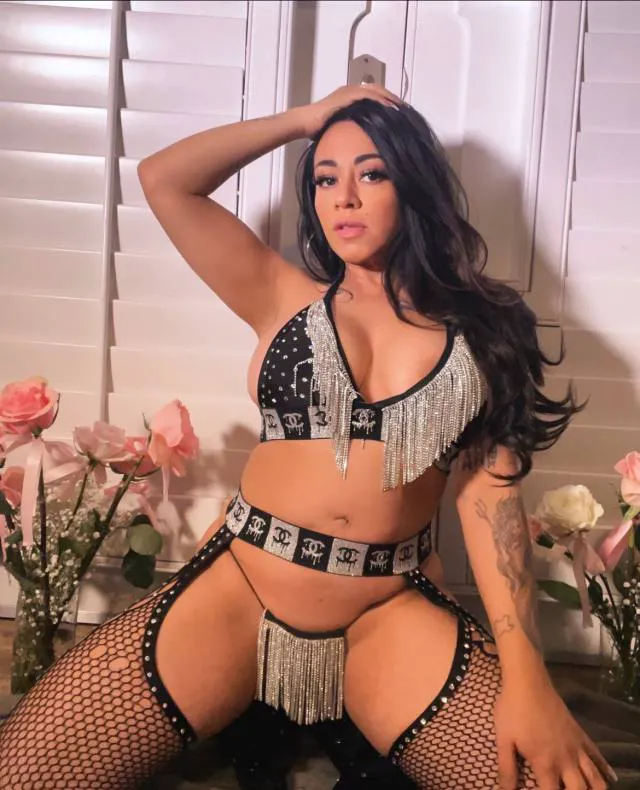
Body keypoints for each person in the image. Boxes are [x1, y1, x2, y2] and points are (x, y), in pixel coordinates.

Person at [0, 84, 617, 790]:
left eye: (372, 173)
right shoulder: (278, 295)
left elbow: (489, 500)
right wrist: (305, 118)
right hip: (238, 595)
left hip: (384, 615)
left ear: (413, 183)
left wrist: (527, 676)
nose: (343, 198)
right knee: (20, 776)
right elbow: (164, 179)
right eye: (325, 178)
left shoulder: (484, 333)